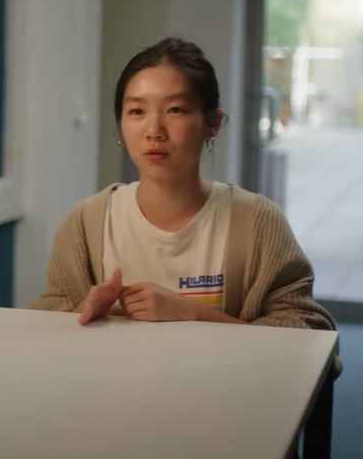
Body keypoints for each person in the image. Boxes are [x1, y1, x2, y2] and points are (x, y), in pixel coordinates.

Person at [28, 37, 336, 334]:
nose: (154, 130)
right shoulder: (87, 222)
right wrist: (85, 311)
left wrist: (194, 313)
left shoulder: (257, 221)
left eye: (175, 109)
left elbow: (308, 333)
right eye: (137, 111)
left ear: (212, 124)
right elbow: (45, 331)